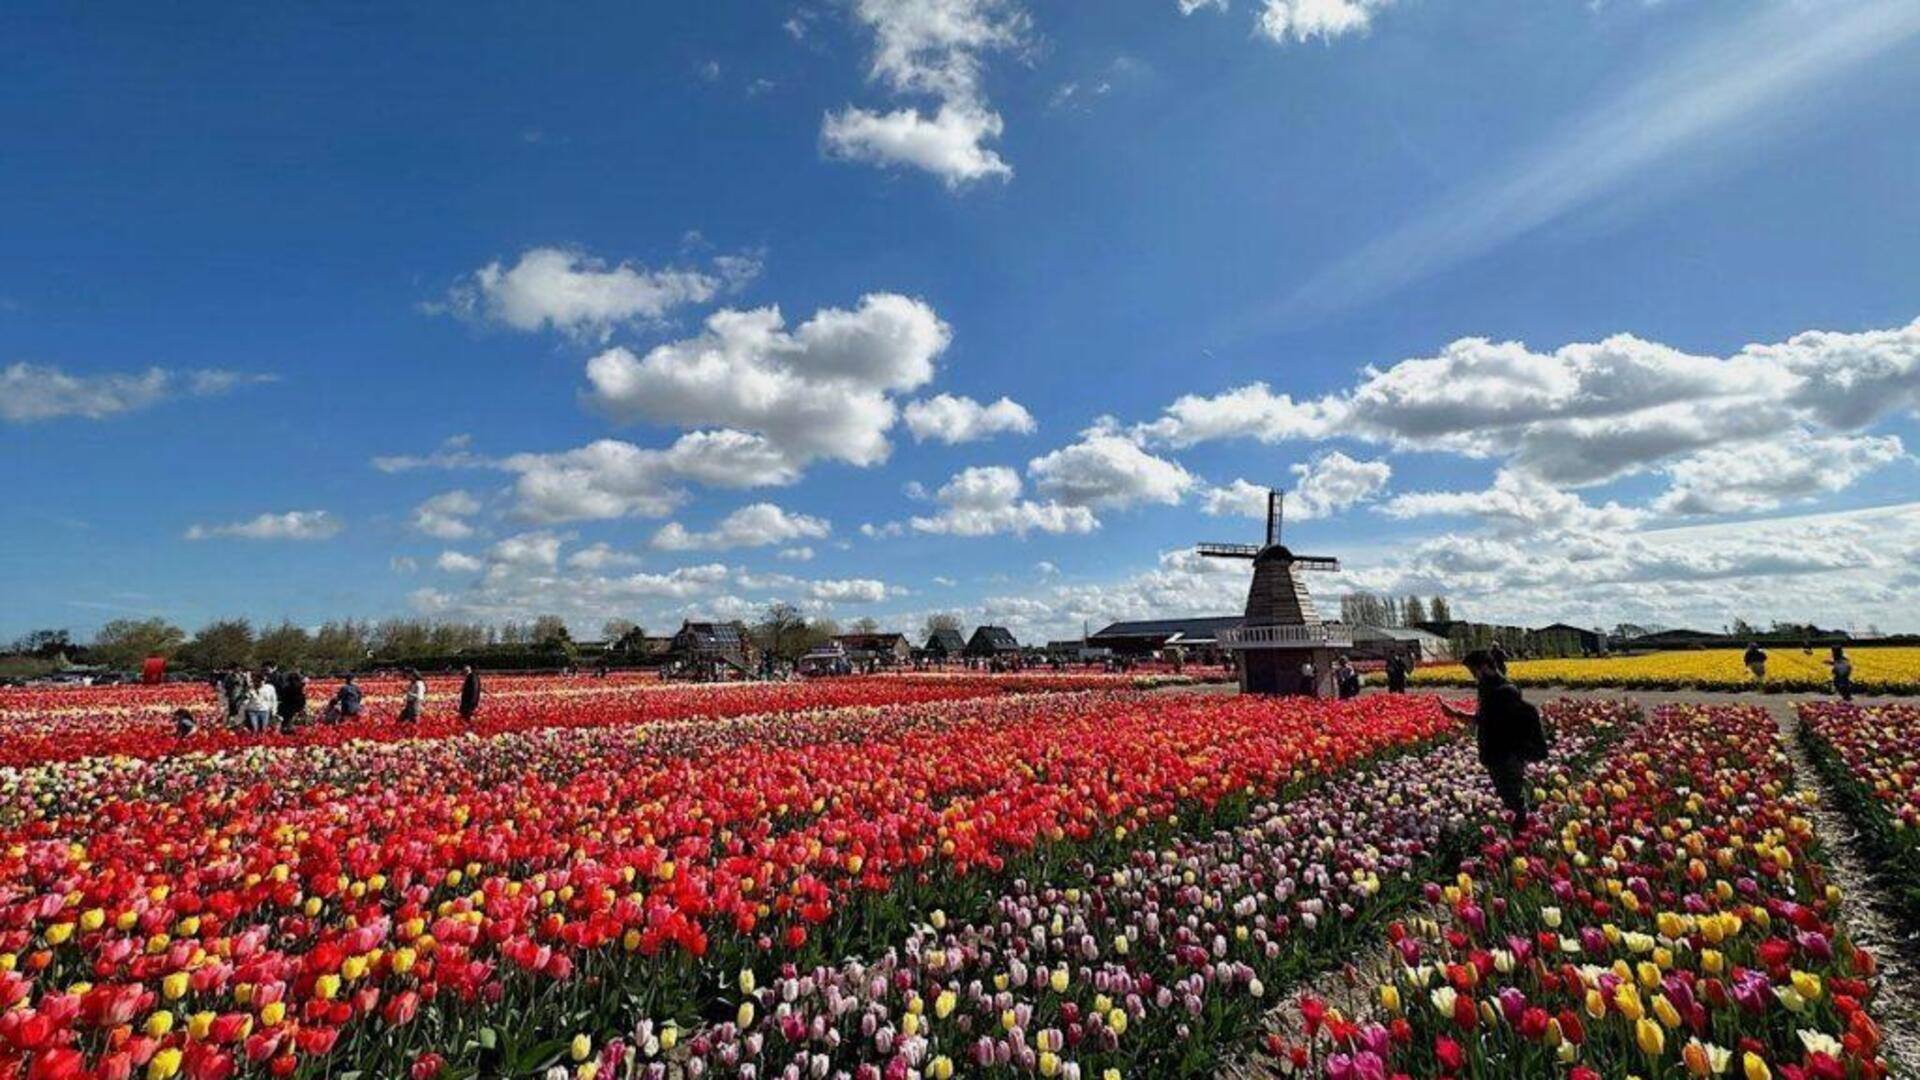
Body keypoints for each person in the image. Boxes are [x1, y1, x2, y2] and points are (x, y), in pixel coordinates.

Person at [1440, 649, 1549, 836]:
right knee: (1509, 796)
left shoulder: (1504, 691)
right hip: (1496, 752)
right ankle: (1521, 833)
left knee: (1513, 797)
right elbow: (1485, 719)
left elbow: (1494, 722)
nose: (1473, 676)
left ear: (1484, 667)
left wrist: (1458, 715)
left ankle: (1523, 838)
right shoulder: (1488, 688)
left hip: (1506, 754)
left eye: (1473, 671)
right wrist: (1457, 715)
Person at [277, 668, 307, 733]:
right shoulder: (300, 687)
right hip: (296, 706)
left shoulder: (286, 688)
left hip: (287, 707)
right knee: (293, 721)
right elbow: (302, 698)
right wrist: (302, 707)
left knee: (287, 721)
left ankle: (287, 730)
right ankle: (291, 730)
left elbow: (282, 697)